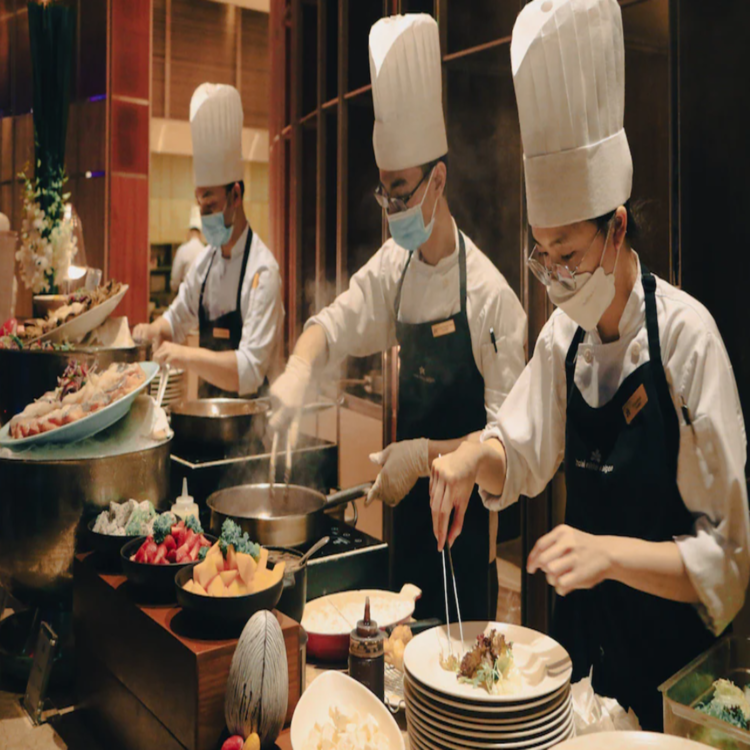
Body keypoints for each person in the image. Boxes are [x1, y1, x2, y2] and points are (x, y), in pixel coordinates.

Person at [429, 0, 750, 731]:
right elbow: (518, 453)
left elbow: (729, 562)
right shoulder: (564, 338)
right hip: (577, 683)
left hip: (670, 696)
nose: (554, 277)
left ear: (618, 228)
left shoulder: (688, 340)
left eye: (568, 255)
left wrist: (607, 554)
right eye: (542, 255)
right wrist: (469, 457)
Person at [270, 14, 526, 621]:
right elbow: (334, 322)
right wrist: (299, 369)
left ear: (438, 180)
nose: (391, 207)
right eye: (384, 192)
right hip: (406, 527)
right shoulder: (396, 267)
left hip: (467, 536)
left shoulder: (491, 298)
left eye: (402, 191)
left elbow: (510, 449)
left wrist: (420, 456)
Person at [134, 84, 284, 398]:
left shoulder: (263, 271)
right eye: (200, 205)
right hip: (207, 413)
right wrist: (152, 330)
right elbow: (176, 318)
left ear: (236, 195)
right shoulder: (205, 262)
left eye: (211, 205)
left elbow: (249, 371)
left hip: (252, 421)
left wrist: (183, 354)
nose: (205, 217)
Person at [170, 206, 205, 292]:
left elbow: (175, 281)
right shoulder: (205, 251)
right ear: (200, 234)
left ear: (189, 233)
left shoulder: (182, 250)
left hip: (186, 295)